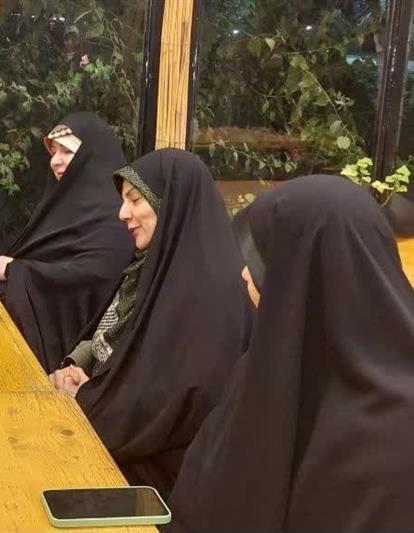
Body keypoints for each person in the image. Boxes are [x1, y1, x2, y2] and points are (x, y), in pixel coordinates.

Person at [168, 176, 414, 532]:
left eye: (263, 258)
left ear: (306, 272)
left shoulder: (394, 439)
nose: (244, 273)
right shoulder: (269, 365)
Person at [48, 148, 253, 496]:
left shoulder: (213, 292)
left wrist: (87, 396)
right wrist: (79, 367)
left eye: (135, 200)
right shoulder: (151, 266)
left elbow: (174, 402)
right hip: (119, 433)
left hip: (164, 477)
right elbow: (115, 338)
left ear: (169, 203)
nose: (122, 213)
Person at [0, 112, 133, 372]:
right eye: (53, 152)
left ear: (91, 156)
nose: (55, 161)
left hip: (75, 357)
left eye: (67, 151)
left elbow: (97, 277)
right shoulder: (61, 204)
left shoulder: (118, 215)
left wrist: (14, 270)